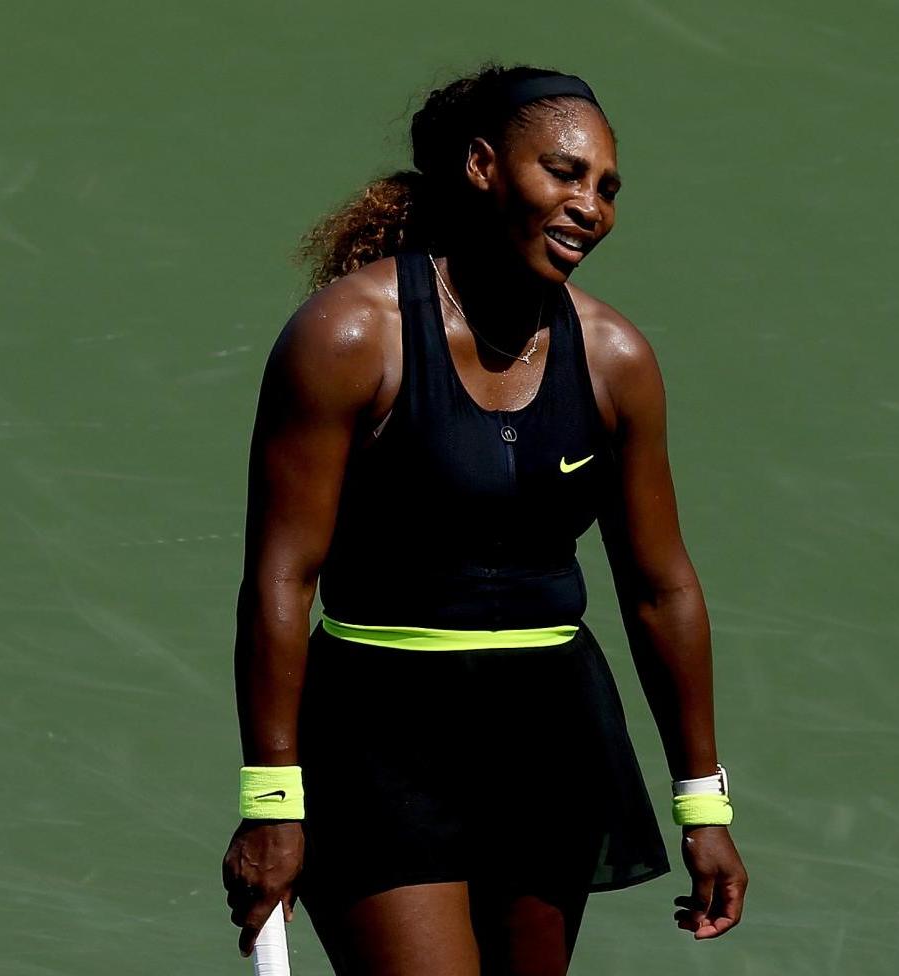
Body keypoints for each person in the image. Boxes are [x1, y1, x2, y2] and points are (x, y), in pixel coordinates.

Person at [221, 64, 748, 975]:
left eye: (607, 188)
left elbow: (662, 589)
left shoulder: (616, 358)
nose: (591, 204)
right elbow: (281, 575)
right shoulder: (351, 336)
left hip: (552, 746)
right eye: (565, 172)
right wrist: (273, 802)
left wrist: (705, 807)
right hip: (381, 743)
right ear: (480, 166)